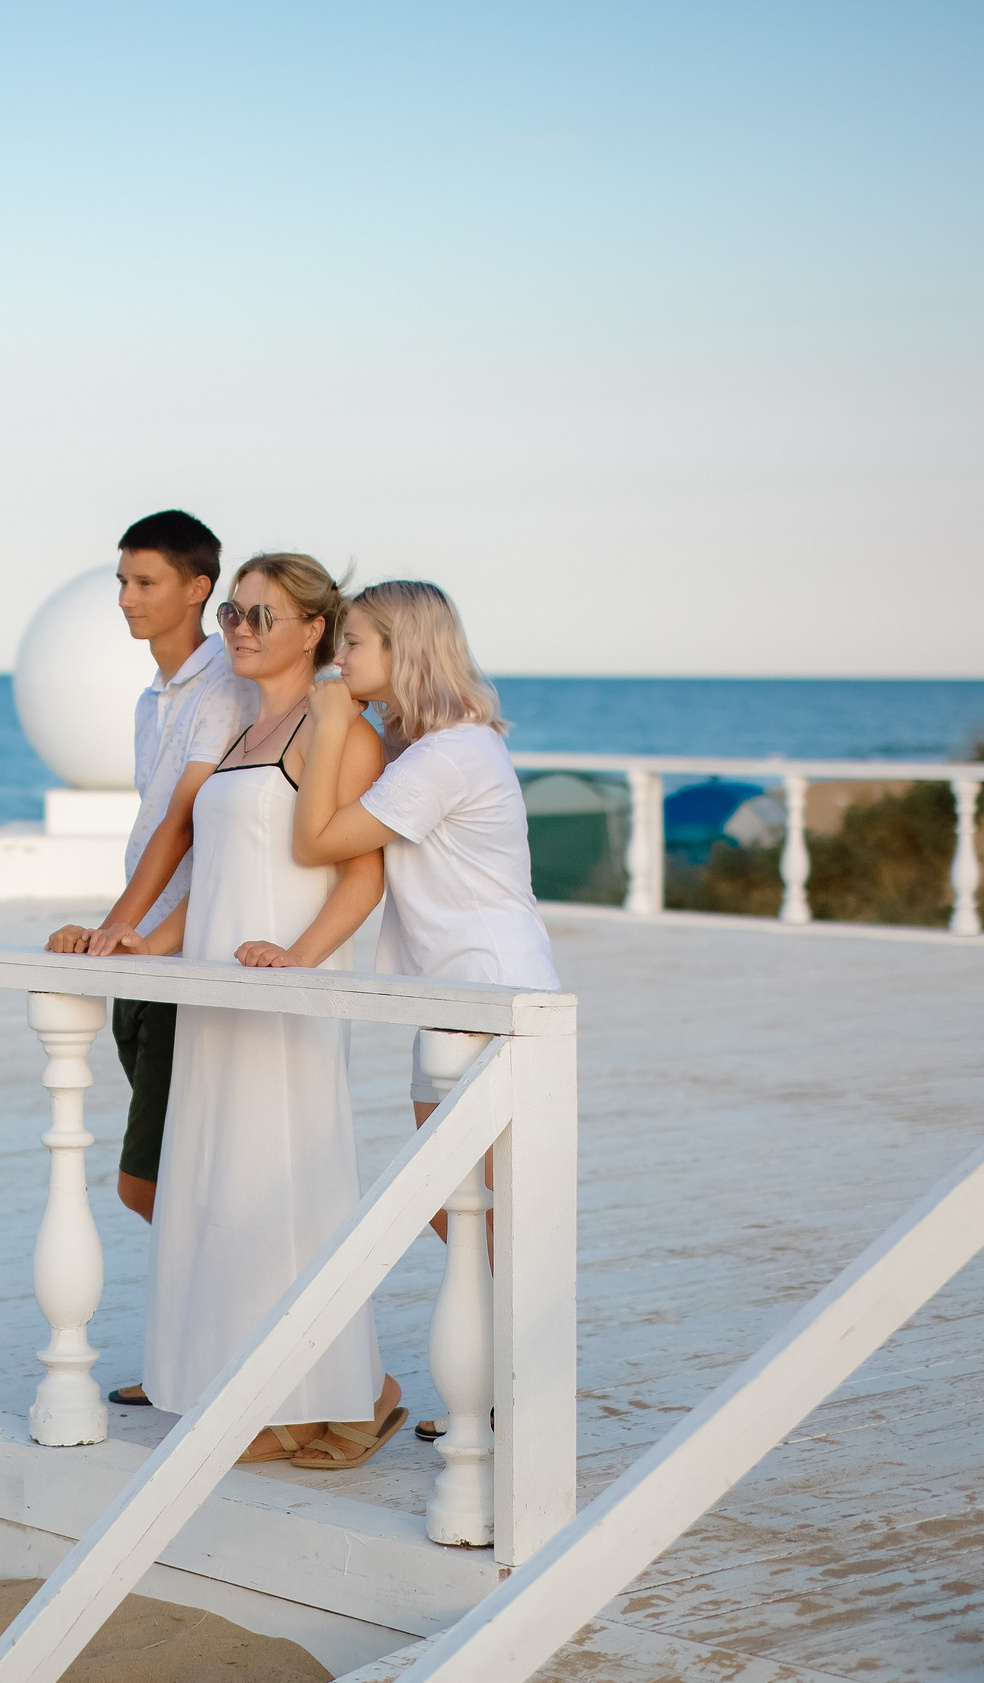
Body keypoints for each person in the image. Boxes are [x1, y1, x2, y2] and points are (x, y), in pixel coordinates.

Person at [107, 553, 406, 1470]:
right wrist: (141, 945)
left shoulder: (336, 729)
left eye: (262, 615)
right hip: (214, 996)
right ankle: (247, 1383)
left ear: (314, 630)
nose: (239, 627)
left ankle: (326, 1397)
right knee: (219, 1189)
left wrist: (299, 962)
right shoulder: (245, 730)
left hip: (279, 999)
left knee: (283, 1192)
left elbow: (365, 869)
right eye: (234, 612)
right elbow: (221, 879)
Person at [291, 578, 557, 1441]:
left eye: (356, 643)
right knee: (459, 1206)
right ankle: (497, 1388)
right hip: (451, 990)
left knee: (485, 1206)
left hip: (486, 987)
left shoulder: (448, 755)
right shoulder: (428, 748)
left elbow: (317, 840)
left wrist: (333, 724)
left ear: (402, 651)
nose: (341, 658)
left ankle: (512, 1396)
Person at [45, 510, 254, 1230]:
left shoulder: (225, 687)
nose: (127, 597)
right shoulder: (148, 701)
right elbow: (154, 835)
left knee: (151, 1184)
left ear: (198, 587)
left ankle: (213, 1330)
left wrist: (116, 928)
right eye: (122, 581)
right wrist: (116, 930)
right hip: (141, 947)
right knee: (174, 1176)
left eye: (146, 581)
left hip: (180, 948)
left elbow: (184, 824)